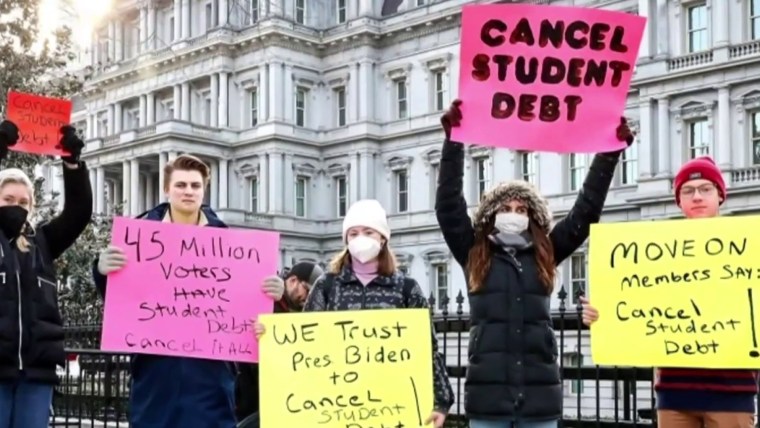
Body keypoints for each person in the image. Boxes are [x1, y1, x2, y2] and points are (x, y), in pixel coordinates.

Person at [436, 100, 633, 428]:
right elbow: (448, 207)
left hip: (539, 401)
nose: (513, 214)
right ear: (491, 215)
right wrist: (453, 143)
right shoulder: (474, 250)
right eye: (505, 208)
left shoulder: (546, 250)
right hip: (489, 401)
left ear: (532, 217)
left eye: (521, 209)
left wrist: (608, 154)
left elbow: (585, 213)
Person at [92, 154, 283, 428]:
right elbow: (120, 301)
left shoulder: (231, 244)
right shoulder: (137, 238)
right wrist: (101, 270)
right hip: (155, 374)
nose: (188, 191)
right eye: (181, 185)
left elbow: (250, 312)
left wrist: (273, 295)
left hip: (211, 378)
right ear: (166, 189)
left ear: (204, 191)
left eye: (195, 185)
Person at [582, 157, 757, 428]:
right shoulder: (656, 251)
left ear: (720, 195)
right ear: (678, 200)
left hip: (732, 392)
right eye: (688, 190)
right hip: (673, 393)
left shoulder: (749, 246)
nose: (697, 196)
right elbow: (634, 306)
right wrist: (600, 313)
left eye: (706, 189)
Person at [254, 199, 454, 427]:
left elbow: (428, 347)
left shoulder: (406, 288)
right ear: (346, 239)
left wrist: (441, 402)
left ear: (383, 238)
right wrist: (270, 335)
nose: (361, 238)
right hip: (337, 406)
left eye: (369, 232)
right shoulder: (327, 286)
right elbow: (303, 342)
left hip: (391, 405)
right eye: (354, 233)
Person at [0, 120, 90, 428]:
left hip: (36, 374)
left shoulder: (42, 243)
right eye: (8, 200)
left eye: (23, 202)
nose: (16, 206)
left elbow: (78, 214)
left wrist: (72, 165)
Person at [234, 261, 324, 425]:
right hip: (251, 387)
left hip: (283, 392)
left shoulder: (306, 310)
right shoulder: (266, 295)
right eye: (307, 290)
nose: (309, 297)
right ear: (293, 281)